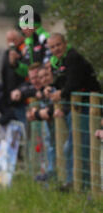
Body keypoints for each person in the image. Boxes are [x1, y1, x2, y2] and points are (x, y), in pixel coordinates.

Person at [45, 33, 101, 190]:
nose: (56, 49)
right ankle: (74, 182)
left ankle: (79, 184)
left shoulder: (73, 58)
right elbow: (64, 81)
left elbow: (73, 83)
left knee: (77, 146)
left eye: (58, 45)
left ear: (65, 43)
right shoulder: (62, 61)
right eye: (52, 47)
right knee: (72, 145)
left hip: (86, 107)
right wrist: (53, 87)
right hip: (75, 108)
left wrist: (60, 93)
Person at [10, 12, 51, 78]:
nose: (22, 31)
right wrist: (15, 64)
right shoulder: (29, 43)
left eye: (24, 27)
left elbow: (50, 65)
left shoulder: (45, 39)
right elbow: (27, 71)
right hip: (36, 82)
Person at [1, 30, 27, 124]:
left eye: (14, 40)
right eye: (9, 40)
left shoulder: (24, 52)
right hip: (10, 99)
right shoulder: (6, 54)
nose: (11, 43)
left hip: (22, 97)